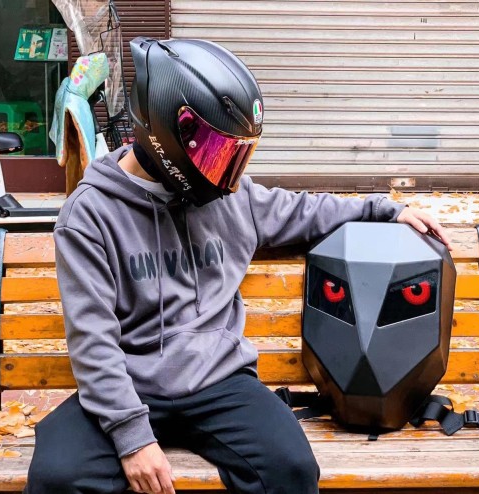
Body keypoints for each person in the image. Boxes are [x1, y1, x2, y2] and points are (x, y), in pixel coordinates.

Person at [25, 37, 451, 494]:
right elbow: (93, 341)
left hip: (219, 383)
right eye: (215, 151)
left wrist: (385, 210)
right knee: (57, 478)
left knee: (291, 469)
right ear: (168, 135)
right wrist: (133, 438)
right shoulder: (90, 215)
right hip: (130, 383)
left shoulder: (233, 197)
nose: (228, 173)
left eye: (235, 154)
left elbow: (305, 211)